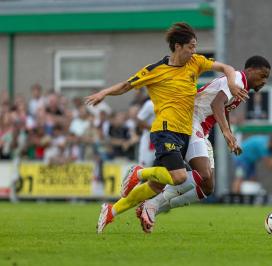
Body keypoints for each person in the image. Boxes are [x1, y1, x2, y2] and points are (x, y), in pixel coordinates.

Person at [85, 22, 248, 234]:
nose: (194, 51)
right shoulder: (155, 71)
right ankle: (140, 172)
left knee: (157, 186)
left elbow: (226, 68)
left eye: (195, 46)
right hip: (165, 130)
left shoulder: (196, 62)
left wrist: (232, 83)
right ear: (178, 46)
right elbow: (127, 85)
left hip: (185, 132)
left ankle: (111, 211)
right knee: (180, 178)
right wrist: (104, 93)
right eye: (191, 47)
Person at [136, 56, 271, 232]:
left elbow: (224, 108)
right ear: (251, 70)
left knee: (207, 187)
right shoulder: (237, 79)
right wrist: (226, 132)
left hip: (201, 128)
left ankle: (152, 208)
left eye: (267, 78)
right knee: (203, 174)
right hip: (191, 121)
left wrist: (229, 134)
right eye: (262, 75)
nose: (264, 81)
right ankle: (151, 202)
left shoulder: (241, 87)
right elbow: (217, 104)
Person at [136, 99, 156, 167]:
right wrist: (155, 128)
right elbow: (139, 120)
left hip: (165, 140)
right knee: (144, 167)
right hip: (149, 141)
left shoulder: (170, 102)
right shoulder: (150, 104)